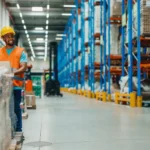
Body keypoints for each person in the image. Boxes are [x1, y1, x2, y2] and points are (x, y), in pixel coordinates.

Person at [0, 26, 27, 132]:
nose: (10, 38)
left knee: (16, 108)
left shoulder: (20, 52)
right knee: (3, 108)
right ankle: (6, 131)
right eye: (7, 36)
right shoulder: (0, 52)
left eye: (11, 36)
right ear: (3, 38)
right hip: (2, 86)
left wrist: (12, 73)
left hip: (16, 85)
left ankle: (18, 129)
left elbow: (23, 67)